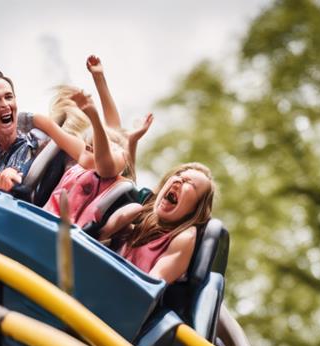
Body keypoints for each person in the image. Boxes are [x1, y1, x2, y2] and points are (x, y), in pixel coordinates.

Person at [41, 56, 152, 227]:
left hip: (89, 218)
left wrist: (99, 80)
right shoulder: (76, 146)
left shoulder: (105, 151)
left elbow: (111, 138)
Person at [97, 162, 216, 283]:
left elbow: (150, 286)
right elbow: (125, 175)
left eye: (190, 183)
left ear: (196, 208)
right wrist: (112, 229)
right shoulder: (143, 212)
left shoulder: (184, 238)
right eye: (179, 176)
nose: (178, 181)